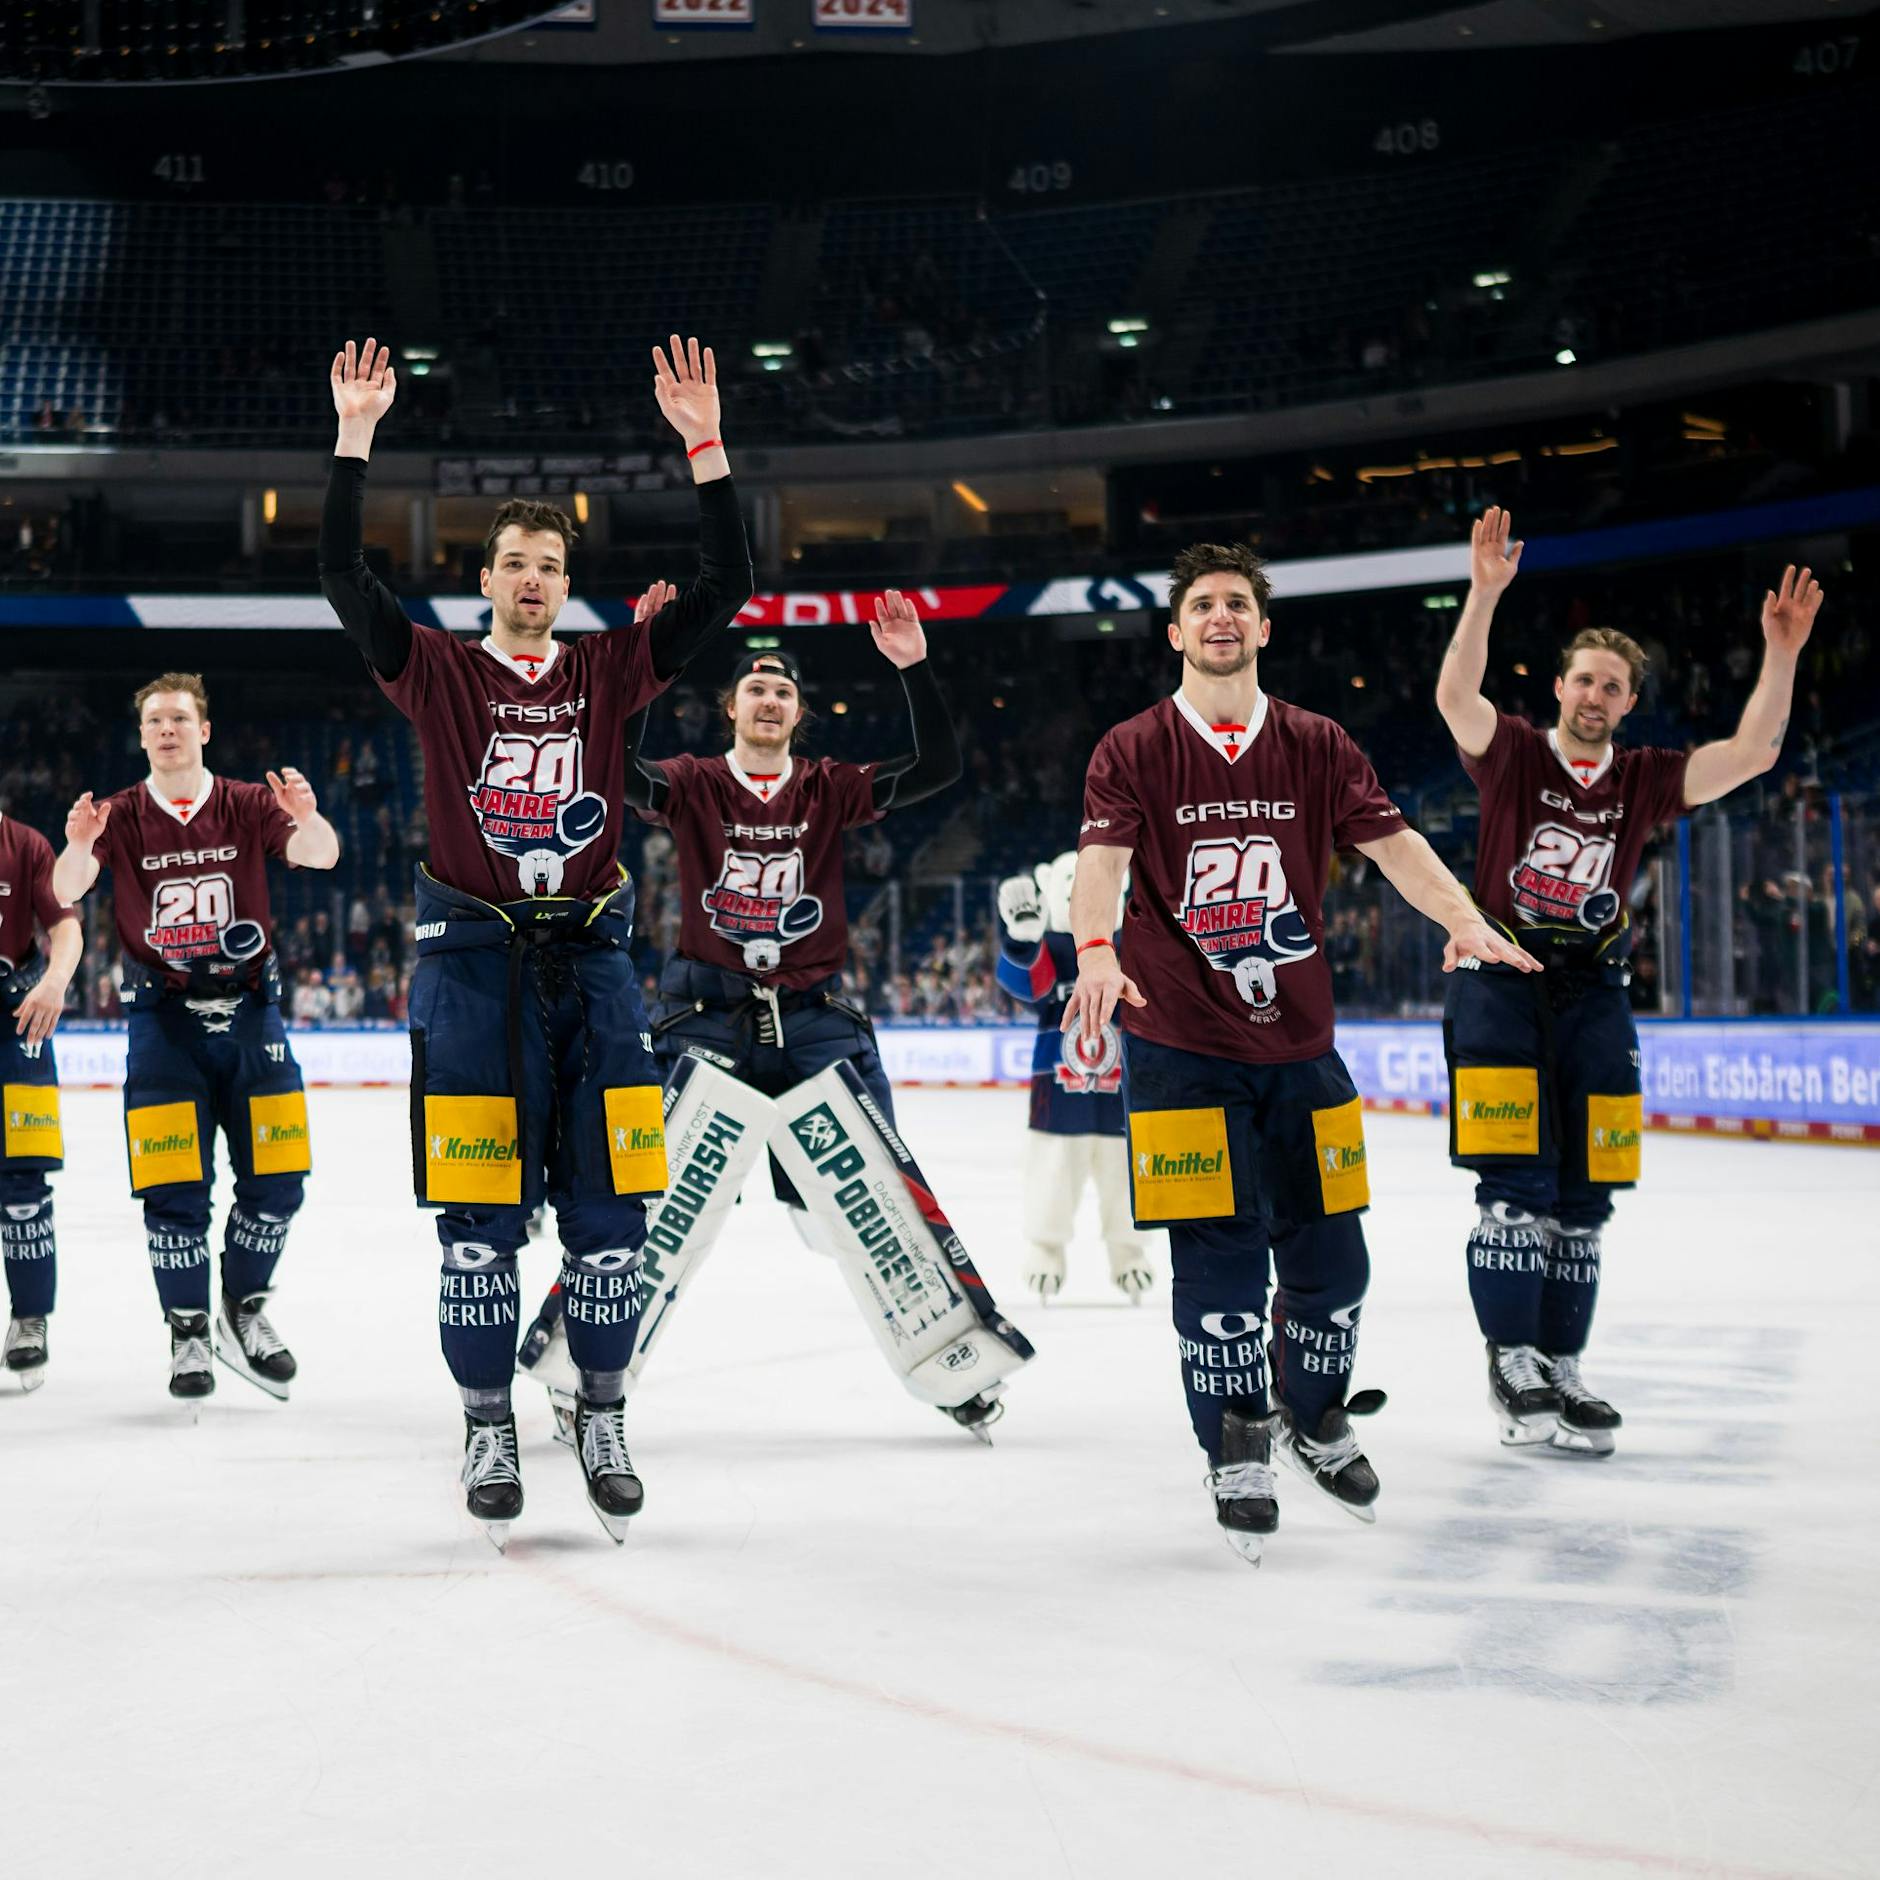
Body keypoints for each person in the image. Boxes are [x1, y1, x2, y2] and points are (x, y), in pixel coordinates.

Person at [318, 334, 752, 1544]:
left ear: (566, 583)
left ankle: (601, 1410)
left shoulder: (612, 668)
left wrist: (705, 446)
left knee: (613, 1220)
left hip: (596, 972)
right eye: (512, 561)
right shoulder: (436, 671)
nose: (529, 577)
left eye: (548, 564)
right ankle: (485, 1421)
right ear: (486, 577)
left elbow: (727, 582)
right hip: (470, 979)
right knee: (477, 1229)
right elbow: (342, 573)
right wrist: (354, 436)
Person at [1065, 541, 1535, 1564]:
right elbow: (1099, 863)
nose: (1221, 616)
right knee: (1220, 1271)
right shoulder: (1132, 746)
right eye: (1203, 604)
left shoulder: (1318, 741)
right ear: (1176, 631)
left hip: (1301, 1049)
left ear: (1263, 627)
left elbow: (1396, 846)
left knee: (1334, 1264)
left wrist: (1462, 916)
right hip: (1178, 1054)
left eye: (1237, 602)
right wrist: (1094, 948)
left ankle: (1312, 1413)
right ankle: (1234, 1445)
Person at [518, 623, 1034, 1438]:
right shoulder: (695, 781)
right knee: (653, 1200)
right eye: (755, 688)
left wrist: (914, 669)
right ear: (730, 706)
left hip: (814, 1017)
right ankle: (579, 1368)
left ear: (800, 713)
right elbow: (614, 771)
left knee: (877, 1199)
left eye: (784, 691)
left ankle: (953, 1363)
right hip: (708, 1018)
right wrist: (648, 664)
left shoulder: (828, 787)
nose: (769, 700)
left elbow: (939, 767)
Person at [1434, 509, 1822, 1456]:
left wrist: (1781, 655)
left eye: (1613, 684)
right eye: (1584, 679)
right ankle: (1512, 1359)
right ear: (1558, 687)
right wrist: (1483, 594)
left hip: (1598, 995)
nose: (1595, 694)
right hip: (1500, 983)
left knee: (1587, 1197)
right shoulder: (1515, 752)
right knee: (1515, 1187)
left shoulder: (1644, 778)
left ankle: (1562, 1366)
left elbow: (1755, 755)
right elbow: (1454, 695)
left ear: (1628, 701)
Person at [53, 675, 339, 1400]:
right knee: (173, 1189)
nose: (167, 729)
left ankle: (243, 1308)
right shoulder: (119, 812)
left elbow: (323, 855)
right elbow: (65, 889)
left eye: (180, 718)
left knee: (279, 1183)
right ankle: (187, 1330)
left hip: (252, 1013)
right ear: (141, 735)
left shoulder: (246, 802)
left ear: (204, 730)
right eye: (155, 720)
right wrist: (78, 844)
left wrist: (307, 818)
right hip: (163, 1022)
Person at [994, 848, 1153, 1302]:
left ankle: (1128, 1251)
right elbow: (1027, 986)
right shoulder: (1052, 949)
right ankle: (1046, 1248)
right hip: (1059, 1093)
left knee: (1125, 1173)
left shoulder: (1132, 947)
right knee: (1052, 1171)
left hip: (1124, 1091)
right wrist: (1023, 941)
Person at [0, 811, 82, 1390]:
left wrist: (54, 981)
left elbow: (65, 926)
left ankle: (30, 1319)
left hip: (16, 1019)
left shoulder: (25, 844)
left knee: (24, 1182)